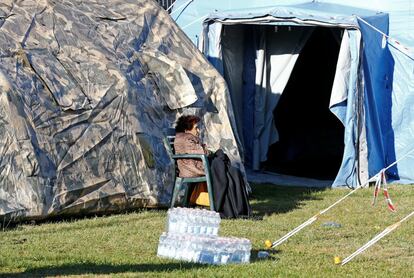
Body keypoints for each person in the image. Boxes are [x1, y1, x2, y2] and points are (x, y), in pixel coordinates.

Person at [174, 115, 251, 218]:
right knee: (224, 167)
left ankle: (233, 206)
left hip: (196, 165)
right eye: (196, 128)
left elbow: (201, 151)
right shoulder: (186, 138)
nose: (198, 131)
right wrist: (208, 151)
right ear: (187, 129)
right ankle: (230, 207)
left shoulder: (187, 138)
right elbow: (202, 152)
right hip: (194, 168)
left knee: (231, 171)